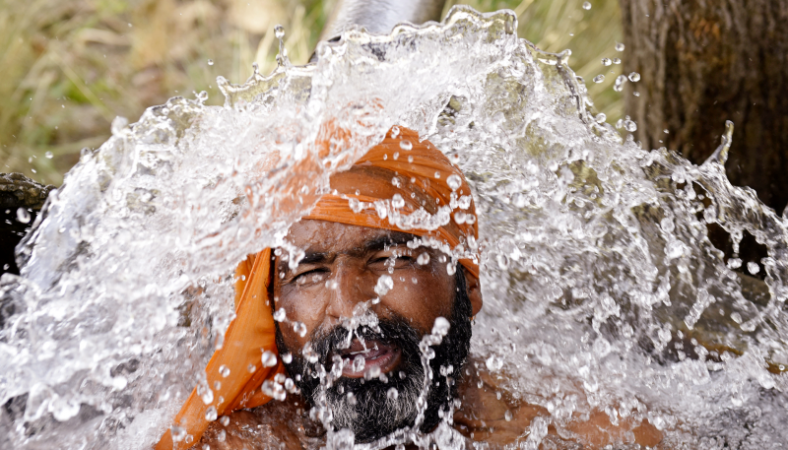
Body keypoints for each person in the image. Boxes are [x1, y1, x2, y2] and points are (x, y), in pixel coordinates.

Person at [156, 127, 662, 450]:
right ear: (269, 311)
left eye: (391, 258)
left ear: (467, 283)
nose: (351, 307)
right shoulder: (244, 445)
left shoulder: (592, 434)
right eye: (309, 274)